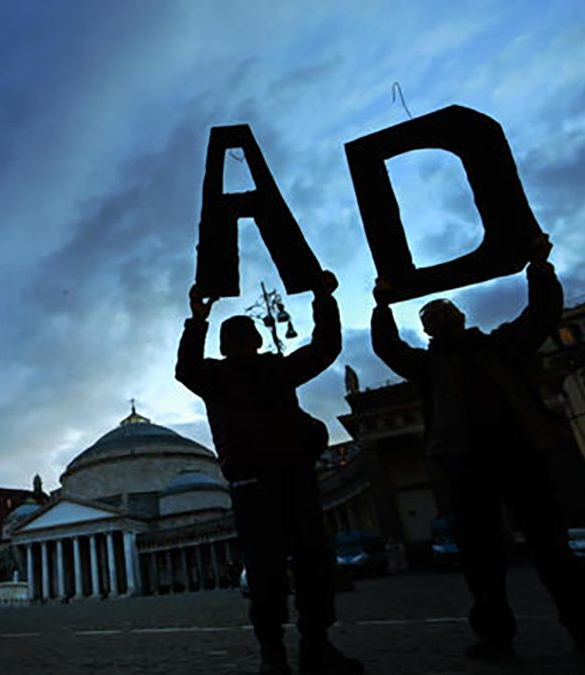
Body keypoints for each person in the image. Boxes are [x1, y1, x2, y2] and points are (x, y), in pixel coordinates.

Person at [370, 234, 585, 660]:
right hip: (468, 461)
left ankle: (577, 624)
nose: (441, 319)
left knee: (549, 548)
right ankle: (496, 635)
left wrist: (540, 267)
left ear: (459, 316)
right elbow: (388, 348)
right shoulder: (432, 363)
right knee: (484, 557)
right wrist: (381, 306)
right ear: (429, 329)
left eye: (444, 312)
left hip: (514, 450)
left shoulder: (499, 344)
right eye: (433, 316)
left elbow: (541, 314)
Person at [176, 271, 362, 675]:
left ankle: (313, 646)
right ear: (225, 347)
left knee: (311, 565)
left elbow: (326, 347)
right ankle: (275, 652)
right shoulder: (215, 377)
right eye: (233, 338)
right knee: (266, 571)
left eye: (243, 336)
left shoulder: (272, 369)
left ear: (256, 341)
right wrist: (196, 319)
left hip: (289, 478)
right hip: (254, 482)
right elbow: (186, 368)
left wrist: (322, 298)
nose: (240, 343)